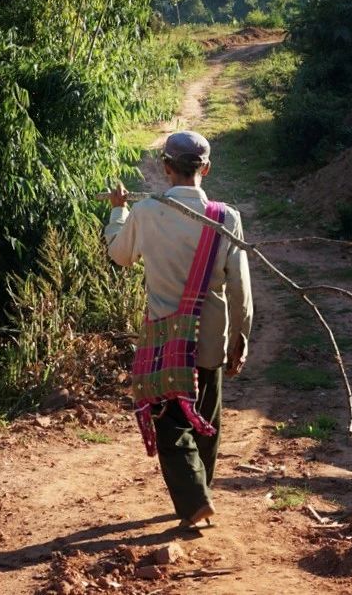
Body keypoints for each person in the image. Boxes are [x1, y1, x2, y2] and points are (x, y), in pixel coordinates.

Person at [104, 130, 253, 528]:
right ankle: (200, 494)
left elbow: (119, 256)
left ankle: (194, 501)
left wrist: (118, 211)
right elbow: (240, 287)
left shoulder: (146, 211)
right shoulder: (226, 217)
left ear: (165, 168)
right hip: (210, 337)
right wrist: (241, 336)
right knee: (207, 419)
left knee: (170, 422)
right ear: (206, 168)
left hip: (165, 343)